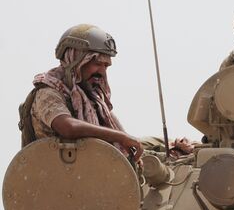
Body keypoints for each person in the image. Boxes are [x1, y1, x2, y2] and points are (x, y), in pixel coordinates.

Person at [19, 24, 143, 161]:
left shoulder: (93, 100)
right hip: (56, 177)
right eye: (97, 63)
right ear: (75, 59)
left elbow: (123, 138)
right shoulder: (48, 93)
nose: (102, 72)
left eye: (106, 66)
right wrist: (121, 137)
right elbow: (68, 127)